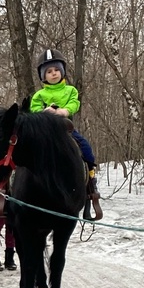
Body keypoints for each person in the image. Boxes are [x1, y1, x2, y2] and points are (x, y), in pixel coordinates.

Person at [30, 48, 101, 212]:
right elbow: (34, 109)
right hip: (44, 131)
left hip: (65, 129)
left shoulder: (70, 90)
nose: (53, 73)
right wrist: (44, 112)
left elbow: (74, 103)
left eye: (56, 70)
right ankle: (12, 183)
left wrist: (64, 111)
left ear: (62, 71)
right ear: (43, 76)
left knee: (85, 147)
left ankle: (91, 181)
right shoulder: (39, 95)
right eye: (49, 71)